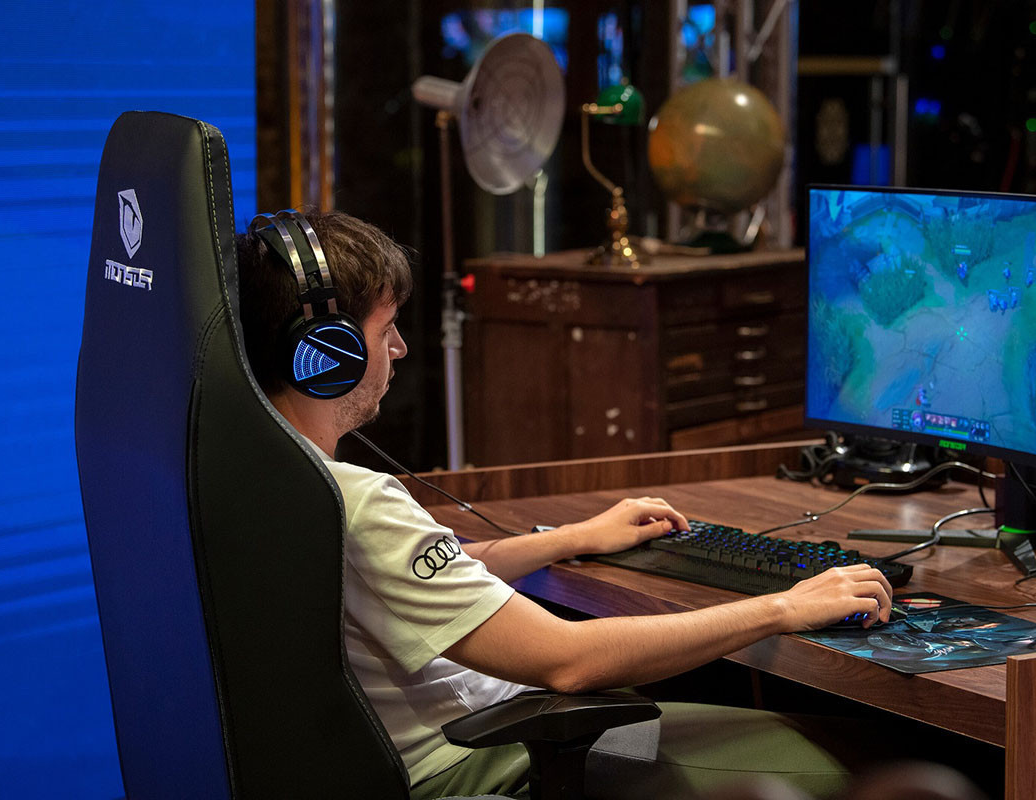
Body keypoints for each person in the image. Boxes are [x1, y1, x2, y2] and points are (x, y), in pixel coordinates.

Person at [236, 209, 895, 800]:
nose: (400, 349)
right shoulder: (358, 501)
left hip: (481, 733)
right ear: (326, 354)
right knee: (869, 760)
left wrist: (571, 538)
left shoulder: (263, 477)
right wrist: (785, 605)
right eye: (386, 330)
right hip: (494, 756)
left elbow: (429, 570)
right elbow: (569, 659)